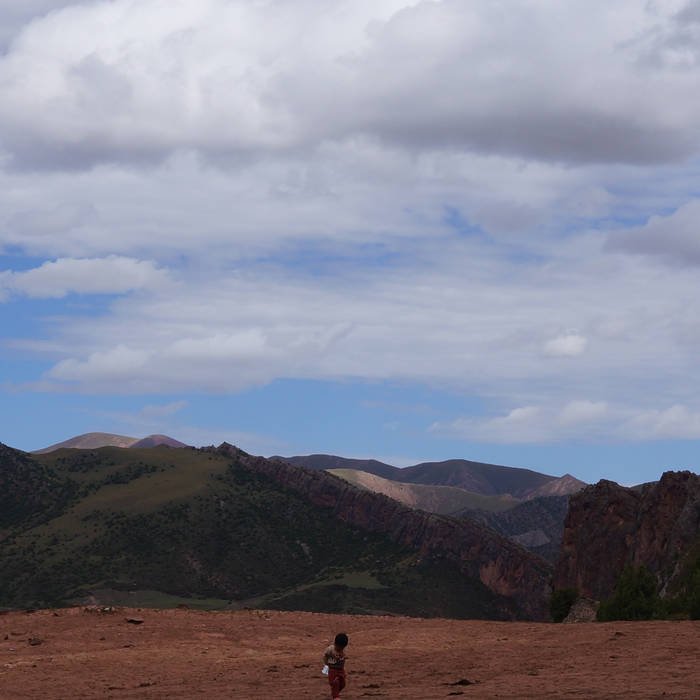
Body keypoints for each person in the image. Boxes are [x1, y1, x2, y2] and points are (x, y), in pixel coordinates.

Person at [322, 632, 348, 700]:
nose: (340, 649)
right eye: (338, 647)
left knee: (343, 684)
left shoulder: (343, 651)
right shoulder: (330, 649)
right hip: (332, 669)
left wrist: (343, 671)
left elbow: (343, 660)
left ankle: (335, 692)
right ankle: (335, 697)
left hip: (340, 669)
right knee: (335, 682)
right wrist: (326, 664)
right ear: (335, 644)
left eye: (342, 648)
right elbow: (325, 655)